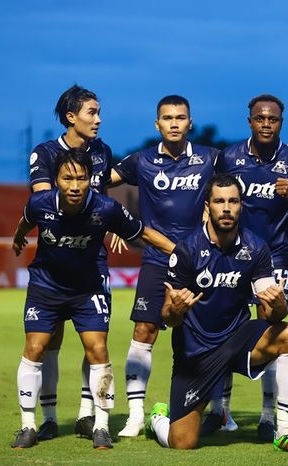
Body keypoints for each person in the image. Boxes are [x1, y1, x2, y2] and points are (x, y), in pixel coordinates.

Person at [10, 148, 174, 449]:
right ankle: (28, 425)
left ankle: (100, 425)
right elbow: (25, 221)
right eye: (68, 178)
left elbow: (145, 234)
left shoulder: (106, 208)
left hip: (88, 290)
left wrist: (180, 253)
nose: (75, 186)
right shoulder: (39, 203)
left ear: (91, 179)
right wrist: (19, 236)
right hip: (46, 288)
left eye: (82, 178)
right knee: (35, 348)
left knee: (97, 349)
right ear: (57, 180)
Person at [146, 174, 288, 455]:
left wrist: (280, 303)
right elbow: (169, 317)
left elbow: (272, 314)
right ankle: (157, 419)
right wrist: (175, 310)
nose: (226, 208)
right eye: (219, 201)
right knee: (183, 442)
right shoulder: (187, 250)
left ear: (241, 206)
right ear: (208, 206)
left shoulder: (256, 248)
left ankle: (284, 432)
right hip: (196, 352)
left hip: (237, 340)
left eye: (233, 201)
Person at [209, 94, 288, 440]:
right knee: (221, 328)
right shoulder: (228, 157)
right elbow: (210, 205)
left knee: (271, 330)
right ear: (250, 122)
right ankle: (220, 412)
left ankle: (268, 416)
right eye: (260, 118)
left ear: (281, 123)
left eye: (273, 119)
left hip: (272, 258)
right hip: (229, 256)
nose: (266, 124)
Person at [110, 95, 220, 437]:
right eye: (167, 118)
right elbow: (94, 185)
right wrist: (117, 222)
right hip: (157, 259)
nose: (174, 123)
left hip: (202, 260)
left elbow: (233, 192)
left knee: (214, 337)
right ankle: (135, 414)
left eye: (180, 117)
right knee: (144, 332)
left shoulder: (210, 159)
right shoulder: (141, 161)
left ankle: (222, 411)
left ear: (190, 123)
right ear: (157, 124)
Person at [27, 84, 115, 440]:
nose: (98, 119)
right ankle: (48, 418)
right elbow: (43, 201)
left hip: (93, 261)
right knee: (50, 341)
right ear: (71, 117)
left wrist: (116, 223)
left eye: (97, 112)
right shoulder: (45, 153)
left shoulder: (102, 152)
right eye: (92, 112)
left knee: (94, 341)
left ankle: (86, 414)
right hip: (55, 260)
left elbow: (103, 200)